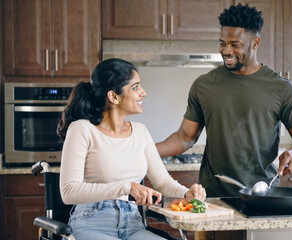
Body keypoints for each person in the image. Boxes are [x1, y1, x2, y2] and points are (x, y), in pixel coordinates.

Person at [156, 3, 292, 197]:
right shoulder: (204, 85)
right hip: (213, 196)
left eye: (235, 44)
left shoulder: (281, 88)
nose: (226, 51)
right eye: (223, 43)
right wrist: (144, 150)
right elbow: (185, 137)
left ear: (256, 43)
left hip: (262, 196)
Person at [58, 58, 206, 240]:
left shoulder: (140, 132)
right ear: (113, 97)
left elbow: (161, 181)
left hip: (133, 223)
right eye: (135, 87)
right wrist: (127, 187)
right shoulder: (82, 129)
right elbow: (69, 192)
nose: (143, 93)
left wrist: (186, 192)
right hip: (92, 223)